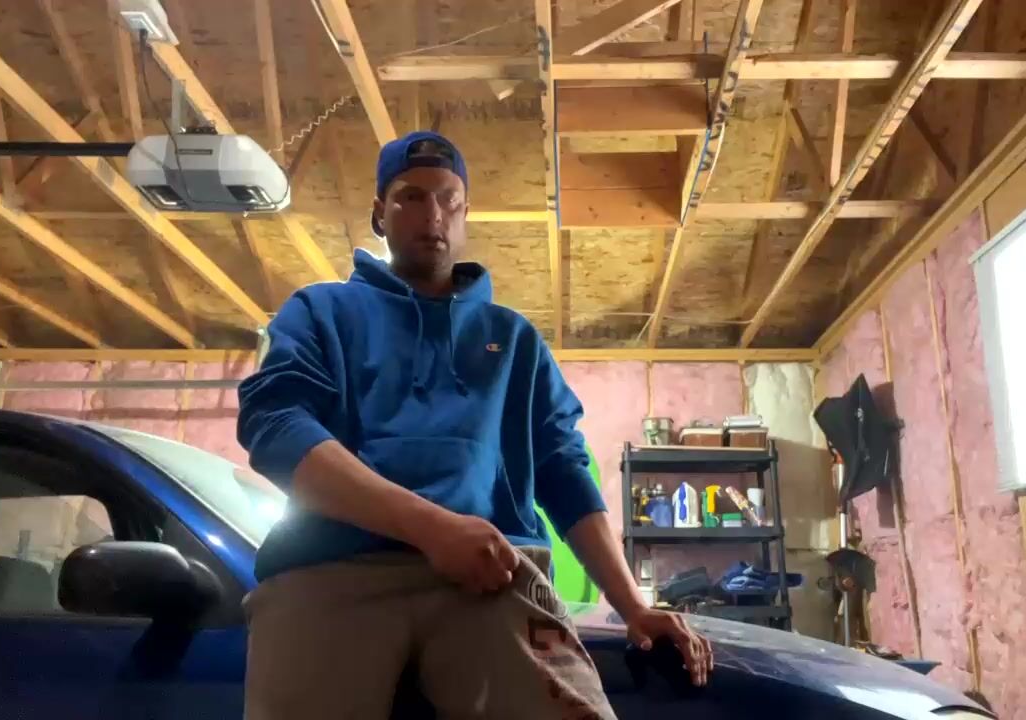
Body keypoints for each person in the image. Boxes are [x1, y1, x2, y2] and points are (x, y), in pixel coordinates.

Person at [236, 131, 712, 719]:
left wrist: (634, 606)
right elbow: (276, 424)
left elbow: (564, 472)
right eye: (411, 197)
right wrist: (432, 529)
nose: (432, 215)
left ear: (465, 215)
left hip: (491, 578)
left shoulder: (515, 340)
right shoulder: (320, 312)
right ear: (379, 215)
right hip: (330, 573)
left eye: (449, 199)